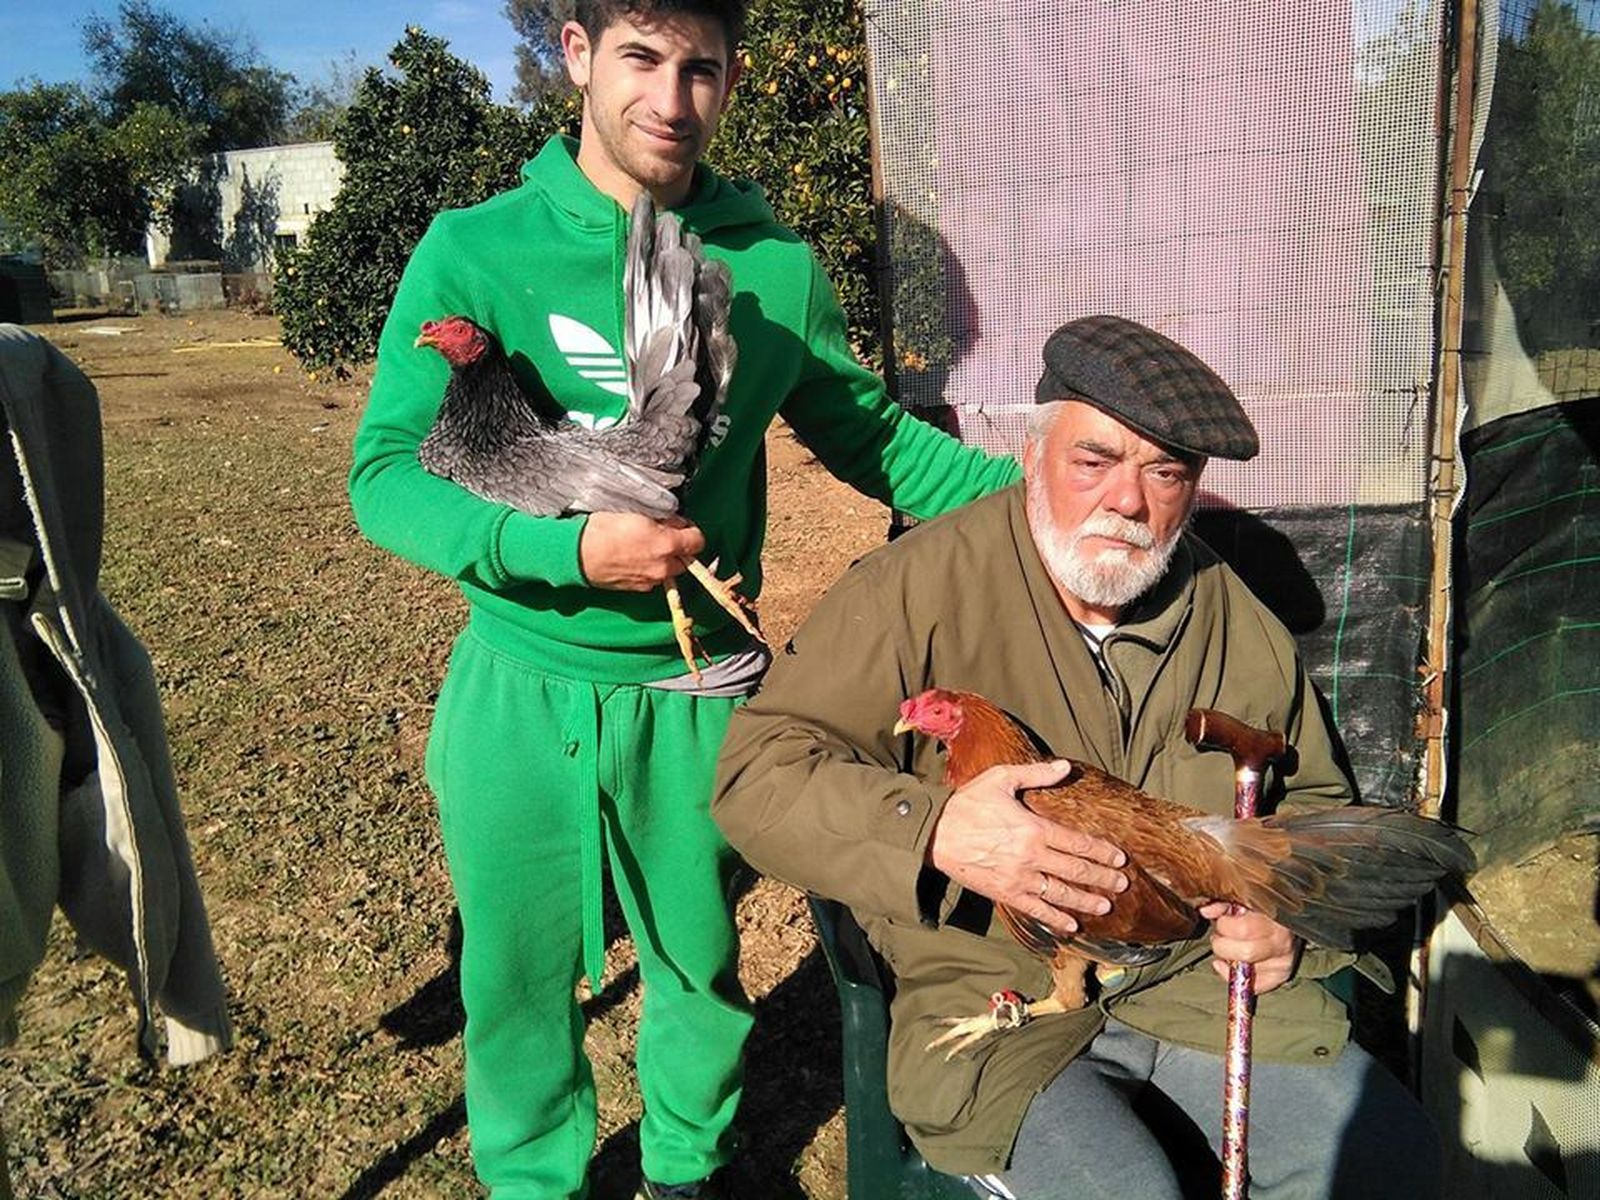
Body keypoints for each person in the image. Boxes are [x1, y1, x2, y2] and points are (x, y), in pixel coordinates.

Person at [348, 2, 1019, 1197]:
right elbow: (387, 478)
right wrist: (559, 555)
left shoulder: (767, 262)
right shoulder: (475, 248)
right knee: (514, 971)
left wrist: (1047, 505)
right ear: (575, 55)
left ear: (732, 75)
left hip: (696, 691)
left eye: (700, 67)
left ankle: (684, 1169)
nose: (671, 98)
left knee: (697, 965)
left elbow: (872, 438)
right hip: (517, 685)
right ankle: (531, 1178)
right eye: (641, 58)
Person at [712, 315, 1443, 1199]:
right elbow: (758, 777)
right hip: (996, 1000)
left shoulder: (1232, 617)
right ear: (1033, 455)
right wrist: (936, 831)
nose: (1127, 502)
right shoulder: (910, 590)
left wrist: (1285, 918)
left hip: (1195, 984)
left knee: (1388, 1165)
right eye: (1093, 461)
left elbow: (1307, 801)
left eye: (1164, 472)